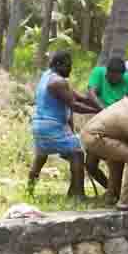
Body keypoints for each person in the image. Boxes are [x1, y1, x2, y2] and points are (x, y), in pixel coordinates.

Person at [29, 51, 100, 199]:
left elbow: (77, 96)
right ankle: (78, 195)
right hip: (52, 127)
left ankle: (29, 191)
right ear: (58, 64)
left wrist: (96, 102)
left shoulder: (47, 76)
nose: (70, 69)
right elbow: (74, 105)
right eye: (68, 66)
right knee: (78, 154)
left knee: (41, 156)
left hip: (39, 125)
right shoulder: (58, 82)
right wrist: (97, 110)